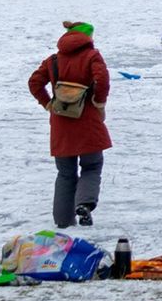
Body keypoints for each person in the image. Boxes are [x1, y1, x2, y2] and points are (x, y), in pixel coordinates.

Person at [27, 21, 111, 229]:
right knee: (92, 166)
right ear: (87, 38)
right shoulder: (92, 56)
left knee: (65, 173)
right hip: (88, 121)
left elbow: (34, 82)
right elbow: (102, 80)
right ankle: (84, 204)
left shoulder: (53, 60)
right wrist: (99, 102)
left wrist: (48, 103)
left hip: (61, 124)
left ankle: (63, 221)